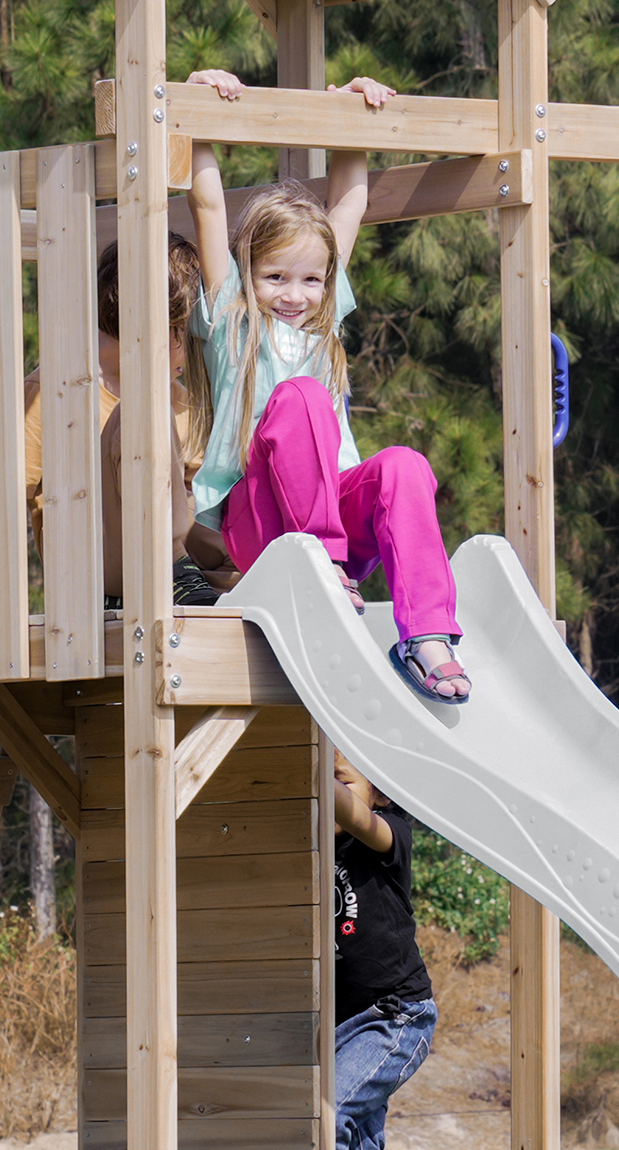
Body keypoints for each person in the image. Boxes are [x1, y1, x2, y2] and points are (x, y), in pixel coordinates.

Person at [183, 69, 470, 704]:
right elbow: (206, 203)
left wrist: (351, 122)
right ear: (246, 274)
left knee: (402, 466)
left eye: (311, 281)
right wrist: (197, 112)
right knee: (303, 400)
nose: (294, 295)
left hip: (332, 522)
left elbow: (349, 204)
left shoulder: (323, 321)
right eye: (275, 276)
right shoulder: (235, 318)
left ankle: (426, 635)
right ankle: (326, 569)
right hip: (261, 523)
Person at [21, 234, 224, 607]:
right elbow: (12, 496)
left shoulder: (181, 397)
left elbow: (199, 491)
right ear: (155, 323)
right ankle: (175, 571)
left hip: (179, 561)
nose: (196, 351)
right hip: (93, 564)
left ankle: (236, 577)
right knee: (143, 409)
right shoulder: (54, 389)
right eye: (188, 334)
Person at [330, 758, 439, 1150]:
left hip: (398, 1017)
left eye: (342, 778)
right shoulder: (311, 844)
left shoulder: (389, 835)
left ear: (381, 795)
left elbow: (354, 816)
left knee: (327, 1114)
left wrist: (320, 781)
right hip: (344, 1027)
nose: (327, 785)